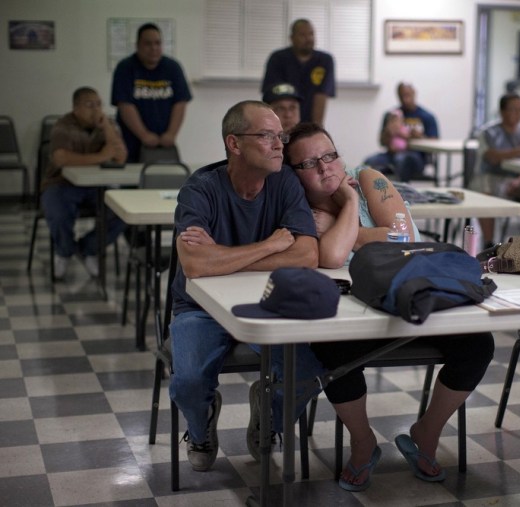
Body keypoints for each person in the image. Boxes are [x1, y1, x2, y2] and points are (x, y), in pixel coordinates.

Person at [284, 122, 494, 492]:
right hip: (352, 311)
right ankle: (363, 442)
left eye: (330, 156)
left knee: (478, 343)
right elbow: (333, 258)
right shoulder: (294, 202)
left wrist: (341, 221)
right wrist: (361, 227)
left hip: (405, 297)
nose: (325, 168)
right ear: (294, 173)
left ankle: (425, 433)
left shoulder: (366, 180)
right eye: (309, 163)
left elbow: (403, 240)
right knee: (330, 346)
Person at [169, 100, 319, 472]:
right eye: (266, 136)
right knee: (188, 381)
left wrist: (223, 257)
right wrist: (270, 245)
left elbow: (306, 256)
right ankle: (200, 425)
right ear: (234, 144)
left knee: (310, 369)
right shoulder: (200, 189)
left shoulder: (284, 181)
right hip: (199, 307)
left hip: (266, 300)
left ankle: (268, 413)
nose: (279, 145)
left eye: (280, 136)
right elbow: (194, 265)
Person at [41, 87, 128, 280]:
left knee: (122, 212)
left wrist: (106, 127)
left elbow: (120, 156)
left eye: (99, 104)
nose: (96, 110)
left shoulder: (106, 125)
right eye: (89, 105)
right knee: (58, 212)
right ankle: (64, 252)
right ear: (76, 108)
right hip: (61, 183)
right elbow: (61, 158)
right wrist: (101, 156)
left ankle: (88, 249)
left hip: (97, 185)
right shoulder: (64, 126)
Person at [469, 93, 520, 248]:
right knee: (484, 193)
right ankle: (489, 244)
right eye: (513, 109)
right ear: (502, 112)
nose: (518, 114)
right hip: (493, 176)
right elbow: (492, 156)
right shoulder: (488, 133)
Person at [111, 22, 192, 162]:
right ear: (138, 45)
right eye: (148, 44)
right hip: (131, 141)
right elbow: (125, 105)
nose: (154, 48)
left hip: (165, 143)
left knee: (167, 180)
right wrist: (144, 135)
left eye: (157, 43)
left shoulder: (173, 67)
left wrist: (171, 134)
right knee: (133, 181)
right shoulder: (125, 67)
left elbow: (180, 102)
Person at [261, 19, 335, 126]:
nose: (308, 39)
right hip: (281, 122)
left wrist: (316, 129)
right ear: (292, 38)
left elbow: (321, 96)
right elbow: (273, 97)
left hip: (310, 122)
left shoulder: (324, 60)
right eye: (302, 35)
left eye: (311, 34)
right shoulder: (278, 58)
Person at [365, 82, 439, 182]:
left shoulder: (426, 116)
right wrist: (389, 132)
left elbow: (435, 143)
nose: (405, 99)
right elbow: (382, 142)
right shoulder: (391, 115)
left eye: (407, 95)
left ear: (414, 93)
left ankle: (401, 194)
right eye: (401, 96)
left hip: (416, 157)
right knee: (369, 162)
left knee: (402, 159)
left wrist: (420, 137)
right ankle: (374, 194)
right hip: (391, 155)